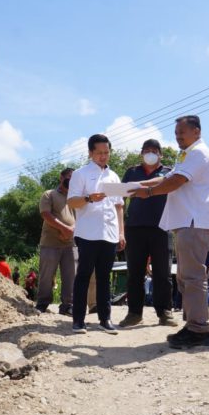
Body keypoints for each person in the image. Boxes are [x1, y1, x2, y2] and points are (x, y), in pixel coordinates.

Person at [130, 115, 209, 349]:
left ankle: (200, 329)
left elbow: (176, 181)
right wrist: (134, 186)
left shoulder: (198, 153)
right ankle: (193, 326)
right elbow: (165, 177)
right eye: (176, 133)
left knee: (193, 278)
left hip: (194, 222)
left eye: (182, 132)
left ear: (197, 131)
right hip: (187, 223)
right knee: (185, 277)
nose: (178, 137)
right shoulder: (187, 155)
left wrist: (147, 193)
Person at [67, 134, 125, 335]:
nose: (103, 156)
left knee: (104, 277)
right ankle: (78, 320)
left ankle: (105, 319)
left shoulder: (114, 176)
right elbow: (71, 202)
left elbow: (119, 206)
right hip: (87, 233)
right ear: (90, 153)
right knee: (83, 275)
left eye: (106, 152)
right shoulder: (80, 174)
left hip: (109, 233)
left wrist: (121, 232)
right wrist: (88, 198)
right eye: (99, 152)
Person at [119, 139, 177, 328]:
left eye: (154, 150)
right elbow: (120, 199)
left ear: (161, 154)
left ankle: (165, 312)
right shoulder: (131, 172)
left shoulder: (169, 172)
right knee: (134, 273)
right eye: (146, 150)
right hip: (134, 228)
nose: (150, 153)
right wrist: (120, 228)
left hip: (162, 228)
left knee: (163, 273)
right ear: (141, 153)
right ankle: (134, 313)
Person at [36, 168, 77, 316]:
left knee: (71, 276)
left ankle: (67, 306)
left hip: (70, 244)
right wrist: (64, 229)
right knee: (46, 275)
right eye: (69, 177)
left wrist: (72, 230)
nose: (71, 180)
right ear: (61, 177)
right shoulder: (49, 194)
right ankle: (42, 304)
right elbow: (45, 214)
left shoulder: (75, 198)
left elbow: (82, 217)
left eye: (75, 178)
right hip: (50, 243)